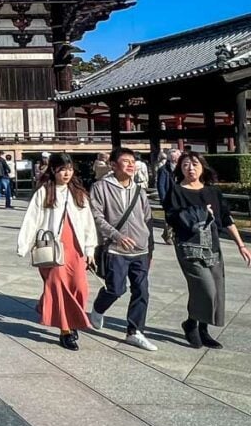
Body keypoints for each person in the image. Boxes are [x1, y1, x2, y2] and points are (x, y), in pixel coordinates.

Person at [164, 152, 251, 349]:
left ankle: (203, 328)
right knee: (205, 289)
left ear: (203, 167)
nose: (190, 168)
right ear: (180, 169)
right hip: (189, 247)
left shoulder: (213, 191)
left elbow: (227, 219)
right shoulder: (176, 191)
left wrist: (241, 245)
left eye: (194, 164)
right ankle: (191, 324)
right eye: (185, 164)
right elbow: (172, 217)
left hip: (212, 245)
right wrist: (199, 215)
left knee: (217, 289)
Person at [16, 153, 98, 351]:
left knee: (80, 287)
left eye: (69, 168)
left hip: (76, 247)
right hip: (53, 248)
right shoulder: (44, 192)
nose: (66, 173)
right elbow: (32, 219)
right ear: (53, 170)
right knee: (60, 287)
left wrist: (90, 248)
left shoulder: (78, 192)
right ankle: (66, 330)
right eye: (62, 169)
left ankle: (59, 311)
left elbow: (88, 222)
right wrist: (24, 245)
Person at [88, 148, 157, 351]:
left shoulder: (139, 190)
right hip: (115, 249)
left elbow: (147, 220)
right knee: (116, 288)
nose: (130, 165)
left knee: (142, 291)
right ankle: (98, 309)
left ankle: (135, 331)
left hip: (140, 250)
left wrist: (150, 249)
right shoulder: (100, 187)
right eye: (125, 161)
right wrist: (116, 236)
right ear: (113, 165)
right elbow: (97, 216)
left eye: (132, 161)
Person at [157, 148, 181, 244]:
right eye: (174, 157)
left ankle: (173, 235)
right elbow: (161, 185)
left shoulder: (181, 168)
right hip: (169, 197)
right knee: (170, 217)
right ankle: (167, 235)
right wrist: (163, 199)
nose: (176, 158)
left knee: (179, 216)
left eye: (177, 156)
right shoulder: (164, 170)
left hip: (179, 197)